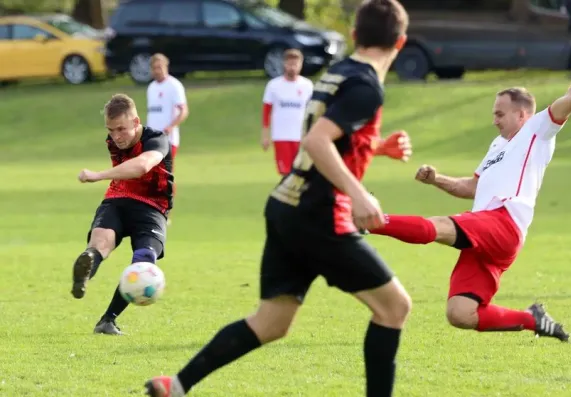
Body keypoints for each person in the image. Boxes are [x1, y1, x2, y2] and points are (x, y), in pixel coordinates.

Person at [144, 1, 412, 396]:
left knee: (271, 322)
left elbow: (331, 136)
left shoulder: (338, 72)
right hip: (319, 214)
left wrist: (377, 147)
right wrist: (358, 194)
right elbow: (318, 141)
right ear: (401, 42)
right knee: (395, 308)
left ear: (355, 35)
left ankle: (176, 385)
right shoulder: (367, 85)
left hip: (286, 206)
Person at [367, 44, 571, 343]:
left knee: (435, 228)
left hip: (504, 223)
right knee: (460, 313)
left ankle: (370, 220)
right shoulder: (496, 146)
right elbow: (473, 188)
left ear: (522, 114)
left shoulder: (538, 130)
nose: (495, 120)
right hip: (484, 231)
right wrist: (437, 179)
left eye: (500, 114)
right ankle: (533, 319)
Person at [72, 93, 174, 335]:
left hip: (151, 207)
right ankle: (87, 266)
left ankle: (108, 319)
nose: (115, 136)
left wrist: (98, 175)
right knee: (99, 245)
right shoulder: (114, 138)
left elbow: (141, 165)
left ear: (136, 122)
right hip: (117, 200)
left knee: (144, 258)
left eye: (121, 129)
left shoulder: (157, 139)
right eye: (111, 130)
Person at [146, 53, 188, 224]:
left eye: (160, 67)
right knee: (150, 175)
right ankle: (154, 209)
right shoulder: (151, 88)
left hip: (168, 140)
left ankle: (166, 211)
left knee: (165, 175)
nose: (158, 71)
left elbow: (183, 110)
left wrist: (171, 126)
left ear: (166, 67)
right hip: (152, 139)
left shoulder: (174, 86)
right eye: (154, 68)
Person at [261, 48, 314, 175]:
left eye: (295, 64)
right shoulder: (274, 85)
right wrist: (265, 135)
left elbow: (312, 111)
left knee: (302, 171)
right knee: (285, 172)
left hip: (301, 136)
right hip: (281, 135)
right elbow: (266, 111)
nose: (292, 67)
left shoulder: (307, 85)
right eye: (290, 64)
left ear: (301, 64)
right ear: (284, 64)